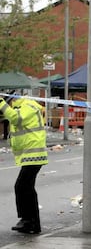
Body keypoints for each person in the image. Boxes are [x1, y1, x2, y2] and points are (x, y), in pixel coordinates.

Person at [0, 95, 48, 234]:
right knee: (26, 187)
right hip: (30, 154)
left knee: (22, 186)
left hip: (34, 154)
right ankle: (31, 222)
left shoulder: (27, 105)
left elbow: (16, 118)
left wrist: (1, 103)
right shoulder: (22, 107)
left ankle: (29, 221)